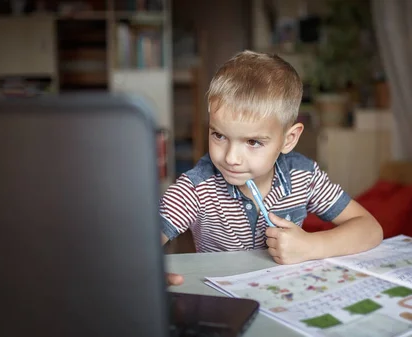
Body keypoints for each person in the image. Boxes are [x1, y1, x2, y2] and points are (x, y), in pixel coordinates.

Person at [161, 50, 382, 286]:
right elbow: (137, 249)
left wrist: (310, 246)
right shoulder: (196, 189)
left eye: (253, 142)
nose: (231, 158)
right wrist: (143, 271)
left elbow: (370, 229)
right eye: (219, 135)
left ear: (289, 139)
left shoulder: (304, 177)